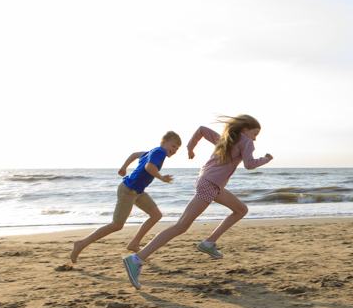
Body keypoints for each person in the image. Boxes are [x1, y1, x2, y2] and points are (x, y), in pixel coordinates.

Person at [122, 115, 272, 290]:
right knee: (180, 227)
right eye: (255, 134)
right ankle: (136, 259)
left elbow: (201, 130)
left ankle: (209, 242)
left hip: (208, 182)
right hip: (211, 184)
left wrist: (190, 148)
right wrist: (266, 159)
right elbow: (249, 164)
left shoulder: (225, 140)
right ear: (245, 130)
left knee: (241, 209)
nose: (255, 139)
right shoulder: (246, 142)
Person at [71, 131, 181, 264]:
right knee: (116, 225)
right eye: (173, 146)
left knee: (156, 215)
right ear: (164, 142)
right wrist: (162, 178)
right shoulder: (160, 152)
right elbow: (149, 167)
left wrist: (123, 168)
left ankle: (134, 244)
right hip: (129, 189)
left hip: (138, 191)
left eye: (177, 148)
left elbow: (134, 155)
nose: (174, 150)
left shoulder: (152, 151)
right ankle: (81, 244)